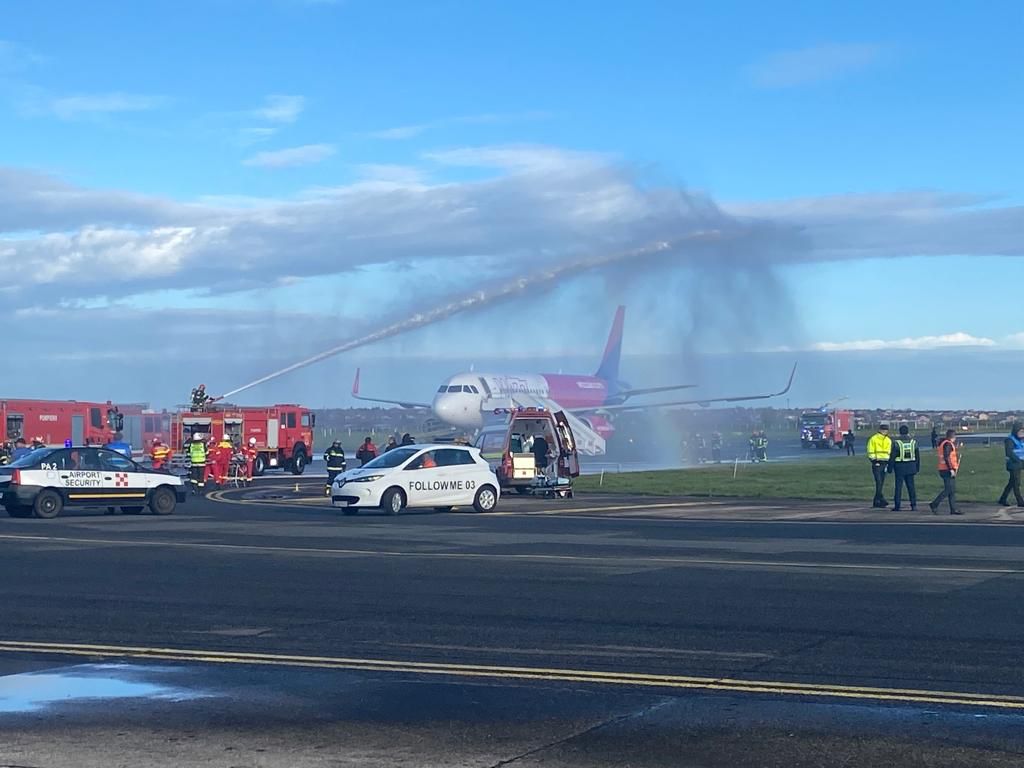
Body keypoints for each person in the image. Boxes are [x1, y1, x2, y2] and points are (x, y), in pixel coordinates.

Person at [930, 429, 962, 515]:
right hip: (947, 469)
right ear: (953, 437)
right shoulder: (947, 444)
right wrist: (951, 469)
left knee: (952, 490)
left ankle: (953, 509)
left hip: (944, 468)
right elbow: (947, 457)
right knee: (949, 489)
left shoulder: (944, 443)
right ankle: (934, 504)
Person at [888, 425, 920, 511]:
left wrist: (889, 468)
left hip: (899, 467)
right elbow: (917, 456)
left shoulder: (897, 443)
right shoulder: (913, 442)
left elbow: (892, 456)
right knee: (911, 487)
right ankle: (914, 505)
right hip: (911, 466)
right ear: (907, 431)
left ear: (900, 432)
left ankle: (897, 505)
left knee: (898, 487)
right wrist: (917, 467)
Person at [998, 422, 1024, 508]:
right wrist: (1018, 460)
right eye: (1021, 431)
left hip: (1020, 462)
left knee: (1012, 482)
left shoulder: (1021, 439)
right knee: (1016, 482)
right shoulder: (1010, 440)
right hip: (1013, 464)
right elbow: (1009, 452)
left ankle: (1002, 499)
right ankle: (1020, 501)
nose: (1022, 433)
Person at [867, 423, 893, 508]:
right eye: (884, 429)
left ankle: (878, 500)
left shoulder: (888, 440)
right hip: (877, 463)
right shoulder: (873, 439)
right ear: (880, 430)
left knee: (881, 483)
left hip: (885, 463)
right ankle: (879, 500)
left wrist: (889, 463)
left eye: (886, 430)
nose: (885, 431)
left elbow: (889, 452)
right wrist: (874, 461)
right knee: (879, 482)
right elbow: (870, 451)